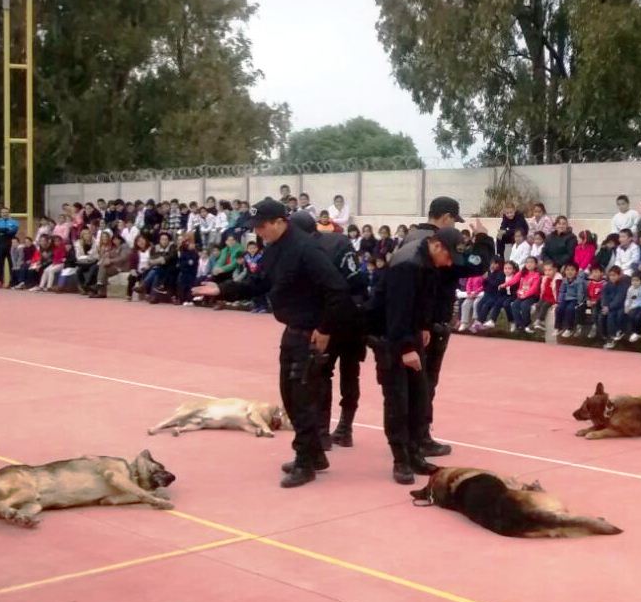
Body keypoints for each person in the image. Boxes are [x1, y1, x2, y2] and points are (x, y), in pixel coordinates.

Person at [193, 198, 355, 488]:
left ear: (280, 222)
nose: (259, 232)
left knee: (303, 398)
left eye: (263, 226)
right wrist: (222, 289)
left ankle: (305, 462)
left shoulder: (307, 250)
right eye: (255, 227)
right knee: (290, 396)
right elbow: (258, 284)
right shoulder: (274, 250)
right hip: (292, 330)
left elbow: (338, 290)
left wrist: (325, 328)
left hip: (311, 332)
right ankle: (315, 454)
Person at [367, 227, 466, 484]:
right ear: (438, 246)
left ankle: (414, 454)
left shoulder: (428, 262)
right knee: (398, 400)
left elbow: (423, 300)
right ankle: (401, 460)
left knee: (418, 396)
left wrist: (423, 326)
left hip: (409, 332)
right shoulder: (408, 265)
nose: (449, 264)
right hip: (389, 337)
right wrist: (406, 348)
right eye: (449, 257)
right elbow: (397, 310)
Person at [398, 196, 495, 457]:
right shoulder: (439, 246)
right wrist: (484, 240)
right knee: (426, 381)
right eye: (453, 221)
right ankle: (420, 436)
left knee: (410, 383)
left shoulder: (410, 237)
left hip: (411, 322)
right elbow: (475, 265)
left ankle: (407, 434)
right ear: (446, 218)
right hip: (431, 322)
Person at [290, 211, 368, 450]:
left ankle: (325, 432)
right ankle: (343, 429)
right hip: (354, 314)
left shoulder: (304, 251)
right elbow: (359, 279)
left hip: (334, 318)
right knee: (348, 373)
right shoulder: (338, 242)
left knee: (322, 373)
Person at [0, 207, 20, 287]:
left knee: (12, 263)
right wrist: (6, 229)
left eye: (6, 212)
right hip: (0, 244)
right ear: (0, 213)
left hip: (10, 244)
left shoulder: (14, 222)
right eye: (3, 212)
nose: (4, 214)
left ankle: (13, 281)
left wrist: (1, 231)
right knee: (0, 263)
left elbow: (13, 231)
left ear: (9, 213)